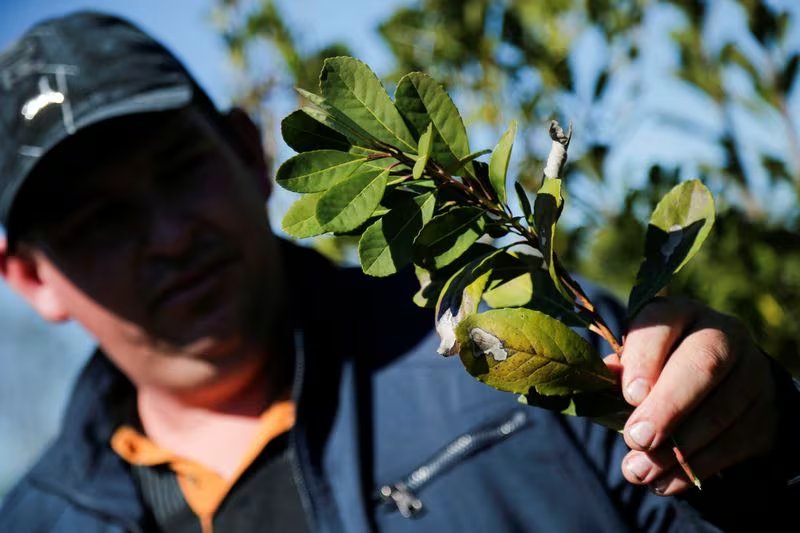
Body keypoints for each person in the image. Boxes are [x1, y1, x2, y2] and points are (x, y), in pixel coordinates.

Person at [0, 11, 798, 533]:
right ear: (30, 278)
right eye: (98, 222)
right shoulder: (35, 521)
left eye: (179, 170)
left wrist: (763, 449)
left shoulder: (511, 341)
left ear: (247, 151)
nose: (169, 237)